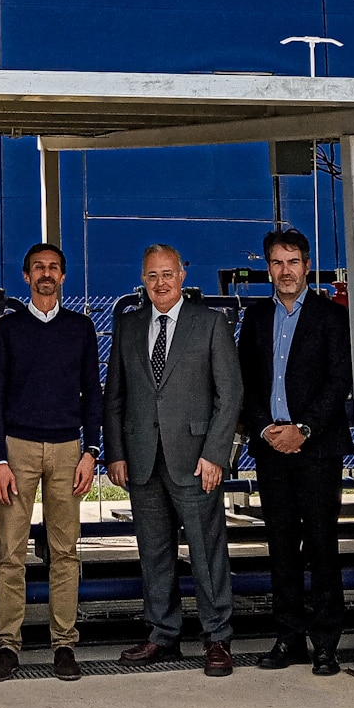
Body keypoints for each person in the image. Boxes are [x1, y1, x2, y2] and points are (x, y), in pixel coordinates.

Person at [104, 244, 243, 677]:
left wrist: (216, 454)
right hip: (142, 460)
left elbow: (230, 394)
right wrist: (116, 454)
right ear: (142, 281)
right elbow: (116, 396)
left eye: (167, 274)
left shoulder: (210, 324)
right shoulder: (128, 326)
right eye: (151, 276)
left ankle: (217, 638)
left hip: (196, 459)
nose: (160, 283)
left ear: (183, 275)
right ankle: (162, 634)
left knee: (206, 553)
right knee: (154, 553)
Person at [0, 241, 101, 684]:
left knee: (65, 551)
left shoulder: (81, 328)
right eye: (38, 268)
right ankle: (8, 645)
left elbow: (93, 392)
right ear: (26, 276)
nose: (46, 274)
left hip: (69, 450)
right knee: (10, 552)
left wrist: (92, 452)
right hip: (18, 450)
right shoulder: (9, 329)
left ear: (63, 276)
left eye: (53, 267)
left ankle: (63, 643)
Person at [238, 228, 351, 674]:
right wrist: (265, 428)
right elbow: (245, 381)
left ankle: (325, 641)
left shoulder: (329, 315)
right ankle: (288, 638)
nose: (285, 271)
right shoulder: (257, 317)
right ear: (269, 269)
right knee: (281, 545)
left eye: (293, 262)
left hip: (317, 447)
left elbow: (339, 379)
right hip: (270, 448)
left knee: (322, 544)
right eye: (277, 263)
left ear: (307, 265)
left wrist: (303, 428)